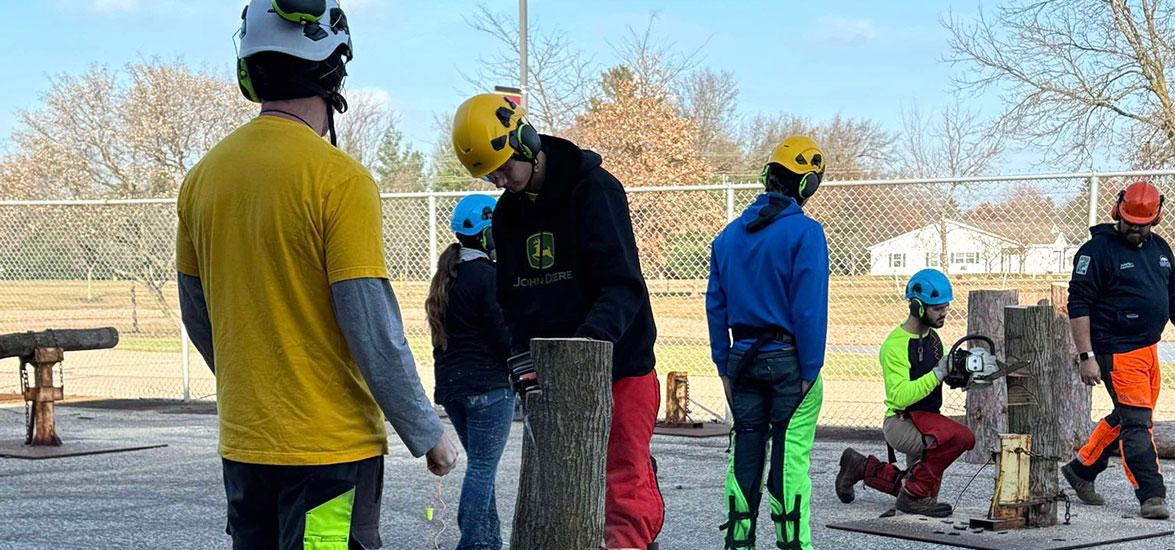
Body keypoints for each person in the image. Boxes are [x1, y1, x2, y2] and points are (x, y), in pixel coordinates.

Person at [176, 2, 457, 547]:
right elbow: (371, 327)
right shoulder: (340, 181)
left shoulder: (202, 179)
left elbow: (197, 311)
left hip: (245, 452)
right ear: (333, 70)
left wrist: (252, 383)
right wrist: (426, 433)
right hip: (331, 458)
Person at [451, 93, 664, 550]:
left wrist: (584, 350)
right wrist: (519, 357)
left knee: (623, 477)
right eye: (489, 174)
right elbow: (510, 298)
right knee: (556, 482)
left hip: (620, 366)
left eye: (504, 167)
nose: (499, 180)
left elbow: (621, 285)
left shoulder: (594, 190)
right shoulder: (508, 213)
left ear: (525, 141)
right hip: (552, 373)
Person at [706, 136, 829, 550]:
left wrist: (723, 365)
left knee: (745, 449)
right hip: (789, 359)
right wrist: (810, 370)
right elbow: (808, 308)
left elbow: (715, 306)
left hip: (741, 360)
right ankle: (793, 543)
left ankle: (738, 540)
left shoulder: (726, 237)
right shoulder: (806, 233)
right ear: (806, 185)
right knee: (789, 455)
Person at [1060, 180, 1173, 520]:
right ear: (1118, 212)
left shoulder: (1161, 249)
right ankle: (1151, 494)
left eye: (1143, 226)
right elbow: (1078, 304)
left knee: (1128, 416)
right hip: (1116, 349)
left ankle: (1082, 469)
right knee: (1137, 424)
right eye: (1130, 224)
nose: (1136, 232)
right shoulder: (1097, 251)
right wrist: (1087, 356)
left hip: (1147, 349)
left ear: (1155, 219)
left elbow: (1172, 296)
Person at [834, 269, 975, 518]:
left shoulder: (933, 339)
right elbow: (899, 396)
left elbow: (931, 380)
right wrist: (938, 373)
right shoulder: (895, 345)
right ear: (918, 307)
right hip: (902, 421)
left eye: (946, 307)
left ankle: (860, 466)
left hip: (927, 418)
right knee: (957, 440)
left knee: (921, 490)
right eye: (937, 308)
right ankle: (911, 494)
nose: (944, 313)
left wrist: (959, 375)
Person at [425, 194, 513, 549]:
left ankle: (488, 543)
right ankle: (474, 543)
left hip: (454, 391)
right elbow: (501, 338)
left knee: (481, 470)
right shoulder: (486, 277)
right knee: (481, 469)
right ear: (487, 233)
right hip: (488, 387)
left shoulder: (448, 275)